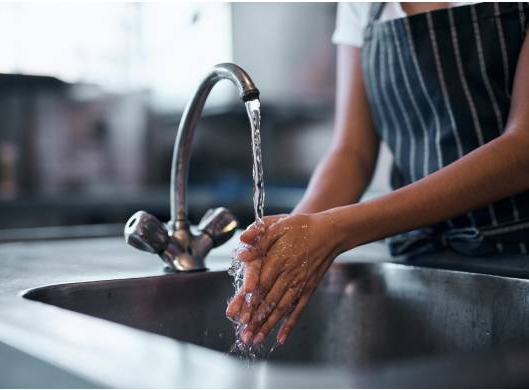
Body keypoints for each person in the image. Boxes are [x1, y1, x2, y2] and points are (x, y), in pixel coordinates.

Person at [226, 2, 529, 347]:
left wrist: (337, 228)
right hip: (422, 263)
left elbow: (522, 150)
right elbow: (351, 153)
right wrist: (291, 241)